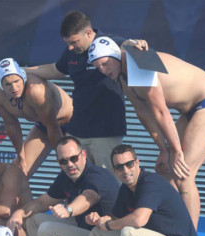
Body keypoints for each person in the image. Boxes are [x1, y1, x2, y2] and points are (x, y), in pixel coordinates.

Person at [87, 37, 205, 230]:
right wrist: (163, 149)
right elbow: (144, 114)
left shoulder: (138, 64)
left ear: (115, 55)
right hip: (191, 110)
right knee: (164, 171)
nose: (103, 70)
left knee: (183, 173)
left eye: (105, 63)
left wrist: (176, 151)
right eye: (98, 67)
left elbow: (161, 112)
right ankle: (168, 229)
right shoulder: (123, 76)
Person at [25, 11, 147, 172]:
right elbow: (55, 69)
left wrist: (133, 44)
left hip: (106, 133)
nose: (70, 47)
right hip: (77, 131)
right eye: (67, 43)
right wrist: (21, 72)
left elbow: (124, 45)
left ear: (89, 32)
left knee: (108, 183)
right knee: (78, 182)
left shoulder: (108, 43)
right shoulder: (72, 52)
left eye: (74, 42)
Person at [8, 135, 119, 236]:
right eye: (64, 161)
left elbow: (88, 197)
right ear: (58, 163)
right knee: (34, 219)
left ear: (84, 155)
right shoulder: (66, 177)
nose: (70, 164)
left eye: (74, 158)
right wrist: (19, 212)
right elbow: (42, 202)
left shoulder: (97, 176)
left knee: (48, 230)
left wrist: (69, 209)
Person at [0, 58, 73, 177]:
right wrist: (21, 157)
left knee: (74, 170)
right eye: (8, 84)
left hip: (71, 121)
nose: (14, 88)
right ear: (1, 85)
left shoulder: (35, 90)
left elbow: (52, 126)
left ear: (23, 77)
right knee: (16, 176)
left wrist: (61, 158)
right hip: (44, 126)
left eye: (16, 81)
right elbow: (11, 124)